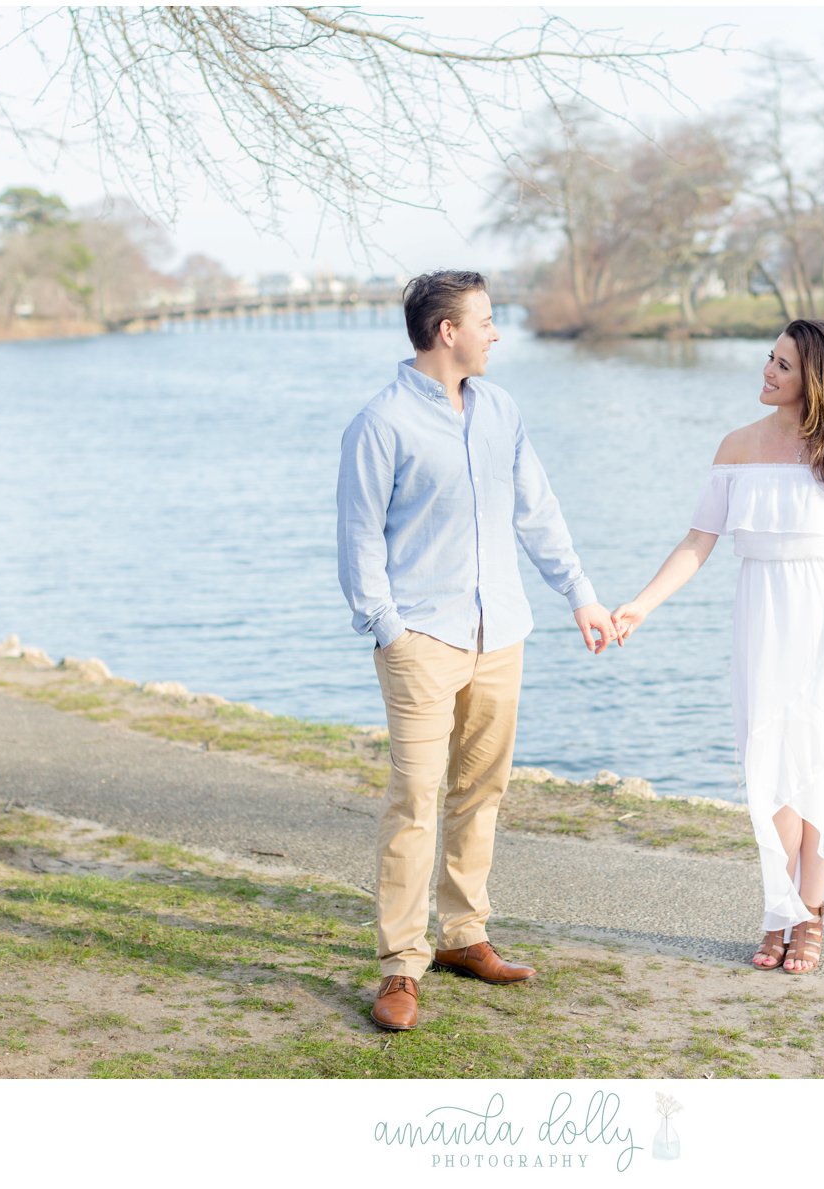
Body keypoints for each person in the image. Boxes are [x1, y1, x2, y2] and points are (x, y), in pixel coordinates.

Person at [611, 319, 824, 974]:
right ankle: (781, 905)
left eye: (783, 365)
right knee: (770, 771)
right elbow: (696, 542)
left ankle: (806, 913)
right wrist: (640, 605)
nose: (767, 370)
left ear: (814, 382)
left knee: (822, 769)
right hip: (762, 620)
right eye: (769, 358)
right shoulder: (736, 447)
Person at [337, 269, 618, 1030]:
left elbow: (538, 511)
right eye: (485, 321)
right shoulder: (381, 422)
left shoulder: (501, 410)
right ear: (446, 332)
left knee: (481, 792)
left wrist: (580, 594)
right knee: (413, 801)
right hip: (422, 638)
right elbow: (358, 539)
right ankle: (401, 964)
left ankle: (464, 934)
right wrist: (388, 627)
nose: (496, 332)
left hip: (502, 635)